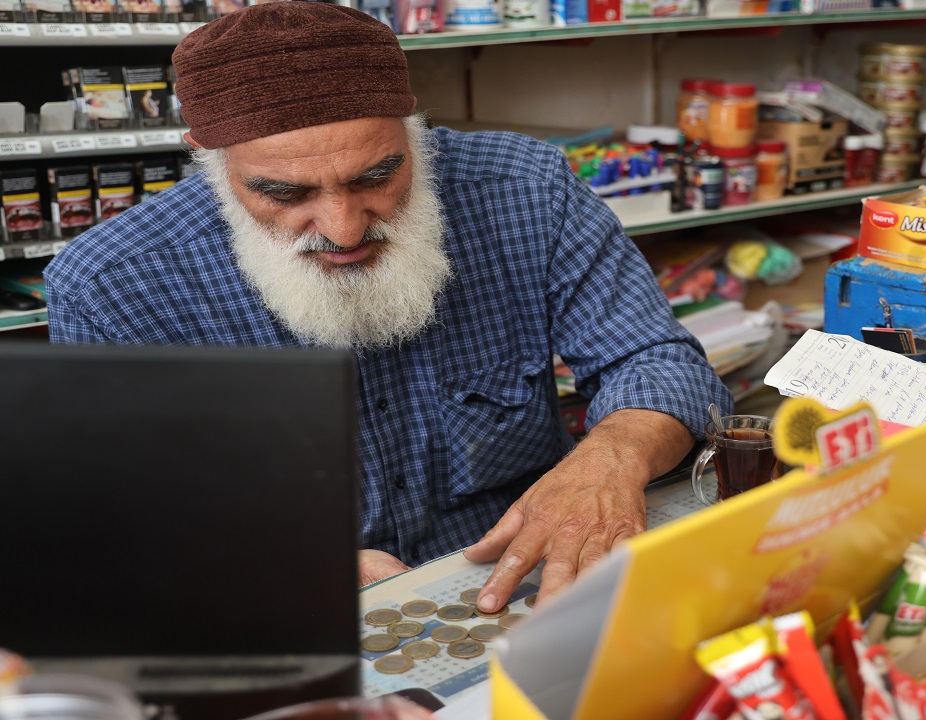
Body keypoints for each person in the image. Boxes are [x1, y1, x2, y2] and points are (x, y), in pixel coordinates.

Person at [43, 1, 732, 613]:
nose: (344, 227)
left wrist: (610, 458)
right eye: (284, 194)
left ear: (412, 127)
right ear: (208, 157)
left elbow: (656, 360)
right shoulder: (111, 285)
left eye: (378, 175)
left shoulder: (526, 188)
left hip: (531, 575)